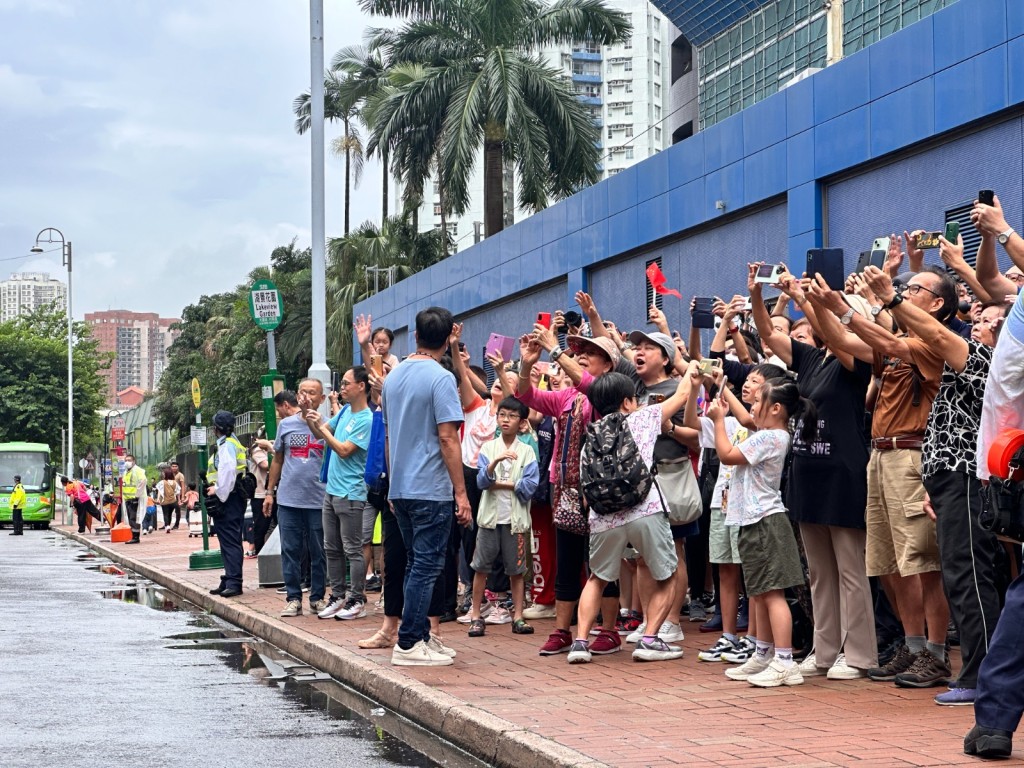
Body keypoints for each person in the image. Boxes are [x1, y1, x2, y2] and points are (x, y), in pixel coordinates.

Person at [866, 259, 1006, 704]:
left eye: (988, 321)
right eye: (979, 318)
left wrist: (890, 298)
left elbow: (940, 335)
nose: (978, 324)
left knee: (969, 576)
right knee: (960, 574)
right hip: (948, 478)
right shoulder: (965, 356)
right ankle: (979, 671)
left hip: (968, 478)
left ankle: (980, 674)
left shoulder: (985, 360)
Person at [806, 267, 953, 687]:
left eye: (914, 289)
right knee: (890, 563)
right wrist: (816, 303)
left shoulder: (933, 343)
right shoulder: (897, 345)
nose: (905, 292)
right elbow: (841, 341)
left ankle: (938, 653)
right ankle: (913, 645)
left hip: (911, 454)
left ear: (937, 303)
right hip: (881, 456)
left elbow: (884, 339)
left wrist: (843, 307)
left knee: (923, 563)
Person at [751, 266, 878, 681]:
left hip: (843, 473)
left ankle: (858, 654)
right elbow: (769, 336)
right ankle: (825, 650)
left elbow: (841, 336)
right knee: (819, 573)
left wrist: (813, 300)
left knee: (850, 570)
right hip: (808, 473)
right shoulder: (810, 358)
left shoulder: (855, 357)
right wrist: (757, 293)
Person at [567, 370, 690, 664]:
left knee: (596, 578)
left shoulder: (589, 438)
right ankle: (650, 639)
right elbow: (683, 394)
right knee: (668, 574)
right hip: (644, 509)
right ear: (627, 402)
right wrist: (690, 369)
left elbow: (585, 487)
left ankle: (580, 643)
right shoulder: (642, 419)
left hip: (603, 517)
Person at [964, 194, 1024, 761]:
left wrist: (1005, 228)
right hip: (1011, 466)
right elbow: (989, 280)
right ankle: (995, 719)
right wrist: (990, 235)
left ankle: (996, 719)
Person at [381, 306, 472, 667]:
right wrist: (461, 493)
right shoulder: (440, 378)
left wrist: (392, 482)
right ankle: (407, 643)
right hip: (430, 487)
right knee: (426, 565)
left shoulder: (393, 377)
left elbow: (388, 436)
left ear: (415, 336)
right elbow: (448, 437)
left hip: (401, 486)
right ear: (450, 334)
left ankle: (419, 635)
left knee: (414, 564)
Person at [714, 377, 817, 688]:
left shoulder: (770, 437)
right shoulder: (771, 434)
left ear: (775, 408)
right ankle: (763, 653)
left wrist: (719, 420)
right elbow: (745, 425)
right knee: (759, 592)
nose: (752, 407)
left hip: (765, 521)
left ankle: (784, 661)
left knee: (772, 594)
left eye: (758, 402)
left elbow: (727, 454)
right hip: (754, 520)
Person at [466, 396, 540, 638]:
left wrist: (500, 483)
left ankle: (517, 616)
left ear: (521, 422)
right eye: (502, 415)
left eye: (512, 416)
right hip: (489, 519)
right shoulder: (488, 448)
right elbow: (481, 482)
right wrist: (495, 464)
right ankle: (476, 615)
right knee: (481, 567)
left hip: (515, 521)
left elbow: (530, 486)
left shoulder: (527, 451)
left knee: (516, 571)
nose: (506, 420)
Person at [307, 365, 374, 621]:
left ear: (361, 386)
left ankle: (357, 598)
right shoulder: (345, 411)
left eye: (346, 383)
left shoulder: (366, 419)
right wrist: (309, 417)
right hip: (332, 491)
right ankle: (337, 595)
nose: (342, 388)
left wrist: (322, 428)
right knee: (331, 548)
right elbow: (324, 433)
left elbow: (344, 449)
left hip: (351, 493)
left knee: (352, 549)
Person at [265, 380, 329, 618]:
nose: (306, 397)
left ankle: (317, 598)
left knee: (318, 551)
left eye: (312, 393)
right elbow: (278, 459)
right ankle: (293, 598)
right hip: (289, 499)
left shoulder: (328, 425)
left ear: (322, 399)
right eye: (302, 392)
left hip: (318, 499)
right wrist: (270, 492)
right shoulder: (287, 425)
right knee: (290, 549)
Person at [206, 410, 247, 598]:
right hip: (232, 496)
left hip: (229, 498)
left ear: (216, 428)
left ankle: (234, 582)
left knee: (230, 541)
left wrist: (219, 491)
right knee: (228, 540)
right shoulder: (231, 442)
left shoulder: (227, 446)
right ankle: (229, 578)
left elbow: (228, 471)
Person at [247, 433, 271, 556]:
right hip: (260, 494)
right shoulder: (257, 451)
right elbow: (267, 465)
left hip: (273, 493)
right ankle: (260, 553)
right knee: (261, 526)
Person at [121, 455, 148, 544]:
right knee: (130, 518)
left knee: (134, 518)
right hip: (128, 499)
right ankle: (134, 536)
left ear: (134, 461)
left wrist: (137, 494)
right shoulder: (126, 472)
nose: (127, 462)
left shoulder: (138, 470)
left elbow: (143, 481)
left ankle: (136, 537)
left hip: (134, 499)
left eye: (129, 460)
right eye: (126, 460)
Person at [155, 467, 179, 534]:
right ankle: (168, 525)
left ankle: (167, 525)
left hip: (165, 501)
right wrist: (179, 500)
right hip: (173, 501)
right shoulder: (175, 482)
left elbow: (160, 491)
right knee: (170, 514)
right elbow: (177, 492)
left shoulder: (162, 482)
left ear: (166, 475)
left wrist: (158, 499)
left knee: (165, 514)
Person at [170, 461, 186, 530]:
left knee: (177, 510)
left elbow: (183, 486)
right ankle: (166, 524)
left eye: (175, 466)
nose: (174, 468)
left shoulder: (180, 475)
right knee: (168, 510)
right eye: (173, 466)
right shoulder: (169, 474)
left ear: (178, 467)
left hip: (177, 495)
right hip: (169, 495)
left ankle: (176, 524)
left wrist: (182, 496)